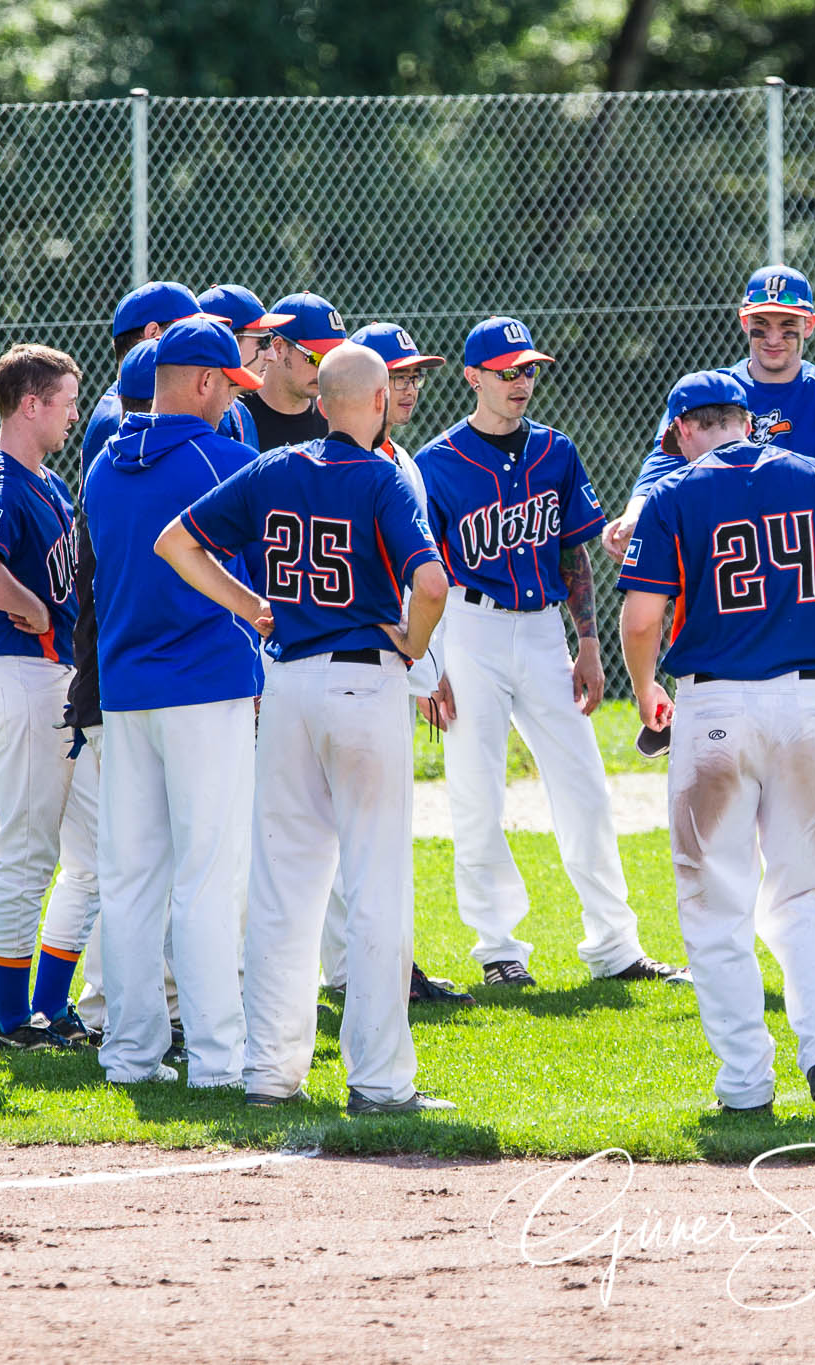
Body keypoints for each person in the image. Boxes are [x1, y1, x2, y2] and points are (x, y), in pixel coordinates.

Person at [160, 342, 455, 1114]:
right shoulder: (385, 476)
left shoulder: (273, 468)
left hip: (287, 681)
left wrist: (247, 604)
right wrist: (414, 643)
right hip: (364, 680)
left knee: (283, 888)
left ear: (321, 403)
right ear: (380, 401)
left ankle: (268, 1073)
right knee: (375, 883)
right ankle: (380, 1081)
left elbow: (175, 541)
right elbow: (430, 582)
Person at [617, 370, 815, 1117]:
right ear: (747, 418)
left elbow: (641, 619)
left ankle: (744, 1081)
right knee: (807, 891)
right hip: (805, 701)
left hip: (714, 705)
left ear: (684, 428)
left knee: (715, 904)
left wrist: (645, 689)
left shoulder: (673, 492)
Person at [416, 317, 685, 989]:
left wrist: (588, 641)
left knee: (585, 785)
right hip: (468, 628)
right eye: (507, 371)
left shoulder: (555, 451)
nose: (522, 382)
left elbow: (573, 551)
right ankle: (498, 949)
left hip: (543, 631)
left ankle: (616, 947)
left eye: (529, 369)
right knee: (476, 794)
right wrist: (430, 663)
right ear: (473, 377)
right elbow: (420, 573)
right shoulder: (436, 463)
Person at [601, 265, 815, 778]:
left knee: (813, 788)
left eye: (788, 326)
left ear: (810, 325)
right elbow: (664, 459)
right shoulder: (715, 392)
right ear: (743, 321)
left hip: (808, 604)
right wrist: (636, 512)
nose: (774, 338)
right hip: (730, 613)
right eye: (761, 325)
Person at [83, 317, 266, 1088]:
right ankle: (218, 1060)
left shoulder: (101, 465)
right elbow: (261, 574)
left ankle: (129, 1053)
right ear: (202, 381)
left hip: (126, 693)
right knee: (208, 876)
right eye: (229, 385)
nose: (233, 400)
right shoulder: (227, 460)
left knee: (130, 878)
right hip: (206, 687)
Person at [314, 320, 470, 1007]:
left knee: (368, 830)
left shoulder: (397, 457)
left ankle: (376, 964)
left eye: (414, 377)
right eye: (396, 376)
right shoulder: (359, 465)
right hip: (361, 664)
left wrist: (429, 667)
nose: (407, 389)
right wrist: (420, 663)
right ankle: (361, 970)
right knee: (352, 831)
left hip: (387, 664)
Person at [0, 343, 96, 1051]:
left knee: (94, 854)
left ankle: (48, 1006)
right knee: (28, 850)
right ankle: (12, 1020)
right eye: (66, 401)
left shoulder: (46, 481)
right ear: (30, 403)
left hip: (51, 681)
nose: (75, 414)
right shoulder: (2, 481)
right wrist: (33, 608)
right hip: (19, 672)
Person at [53, 340, 184, 1053]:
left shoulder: (105, 475)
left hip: (107, 694)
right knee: (136, 866)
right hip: (124, 695)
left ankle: (123, 1009)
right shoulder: (148, 479)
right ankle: (123, 1009)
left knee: (127, 865)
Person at [80, 281, 203, 465]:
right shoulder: (122, 418)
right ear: (153, 333)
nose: (197, 339)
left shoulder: (128, 399)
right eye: (186, 331)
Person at [241, 291, 347, 451]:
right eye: (317, 358)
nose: (325, 369)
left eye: (334, 358)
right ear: (278, 347)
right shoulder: (238, 417)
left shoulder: (334, 419)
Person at [195, 284, 295, 448]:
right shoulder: (192, 418)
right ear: (226, 341)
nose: (272, 356)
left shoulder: (241, 414)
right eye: (264, 341)